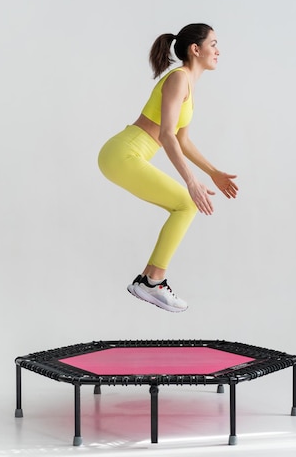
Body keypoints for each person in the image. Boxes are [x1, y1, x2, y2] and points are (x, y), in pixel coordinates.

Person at [98, 23, 238, 313]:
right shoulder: (178, 79)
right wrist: (191, 181)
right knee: (187, 203)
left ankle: (149, 280)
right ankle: (153, 282)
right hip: (124, 152)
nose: (218, 50)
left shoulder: (188, 84)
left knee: (185, 205)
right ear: (195, 49)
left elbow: (182, 139)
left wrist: (212, 172)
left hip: (126, 154)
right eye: (213, 44)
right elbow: (166, 136)